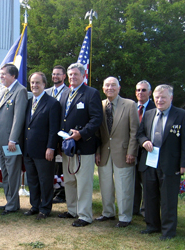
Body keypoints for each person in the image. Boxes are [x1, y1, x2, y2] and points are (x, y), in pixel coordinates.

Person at [137, 84, 185, 240]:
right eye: (157, 97)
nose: (160, 100)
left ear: (171, 98)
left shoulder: (182, 115)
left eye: (163, 97)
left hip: (171, 163)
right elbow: (140, 134)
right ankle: (152, 225)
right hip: (149, 163)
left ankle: (168, 231)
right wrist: (144, 141)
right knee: (150, 196)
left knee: (168, 199)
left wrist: (184, 163)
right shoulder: (148, 114)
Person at [58, 63, 103, 227]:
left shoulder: (91, 93)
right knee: (69, 180)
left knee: (83, 182)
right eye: (70, 75)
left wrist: (81, 134)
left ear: (83, 76)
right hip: (67, 146)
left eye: (75, 74)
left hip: (84, 146)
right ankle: (72, 210)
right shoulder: (65, 93)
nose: (72, 77)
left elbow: (96, 119)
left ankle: (85, 215)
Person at [95, 76, 139, 228]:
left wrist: (132, 151)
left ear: (119, 88)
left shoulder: (129, 104)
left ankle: (125, 217)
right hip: (104, 153)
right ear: (103, 88)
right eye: (107, 85)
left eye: (113, 85)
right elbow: (98, 133)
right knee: (105, 185)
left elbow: (134, 131)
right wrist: (97, 152)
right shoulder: (99, 105)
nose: (110, 88)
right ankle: (108, 213)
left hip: (124, 153)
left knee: (124, 186)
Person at [23, 72, 61, 219]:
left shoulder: (52, 103)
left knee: (45, 181)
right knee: (32, 180)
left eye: (37, 82)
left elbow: (54, 129)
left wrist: (51, 147)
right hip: (28, 150)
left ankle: (45, 208)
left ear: (44, 84)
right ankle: (35, 206)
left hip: (44, 150)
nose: (34, 85)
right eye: (32, 82)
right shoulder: (28, 102)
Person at [0, 63, 28, 215]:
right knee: (6, 173)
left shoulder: (20, 91)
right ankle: (10, 201)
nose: (1, 77)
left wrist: (13, 139)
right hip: (1, 141)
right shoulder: (7, 92)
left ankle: (13, 204)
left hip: (11, 142)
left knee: (13, 173)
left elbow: (18, 117)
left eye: (3, 74)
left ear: (13, 75)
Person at [45, 65, 69, 204]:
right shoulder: (47, 92)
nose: (55, 76)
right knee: (51, 164)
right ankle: (52, 190)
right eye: (54, 74)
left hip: (62, 133)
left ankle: (62, 193)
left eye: (58, 74)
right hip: (48, 133)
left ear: (64, 76)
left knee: (61, 165)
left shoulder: (69, 91)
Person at [133, 80, 156, 216]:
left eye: (143, 90)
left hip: (148, 152)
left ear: (150, 92)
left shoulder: (155, 107)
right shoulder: (131, 107)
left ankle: (146, 210)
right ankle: (134, 209)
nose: (140, 92)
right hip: (132, 151)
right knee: (133, 182)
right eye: (138, 90)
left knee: (148, 183)